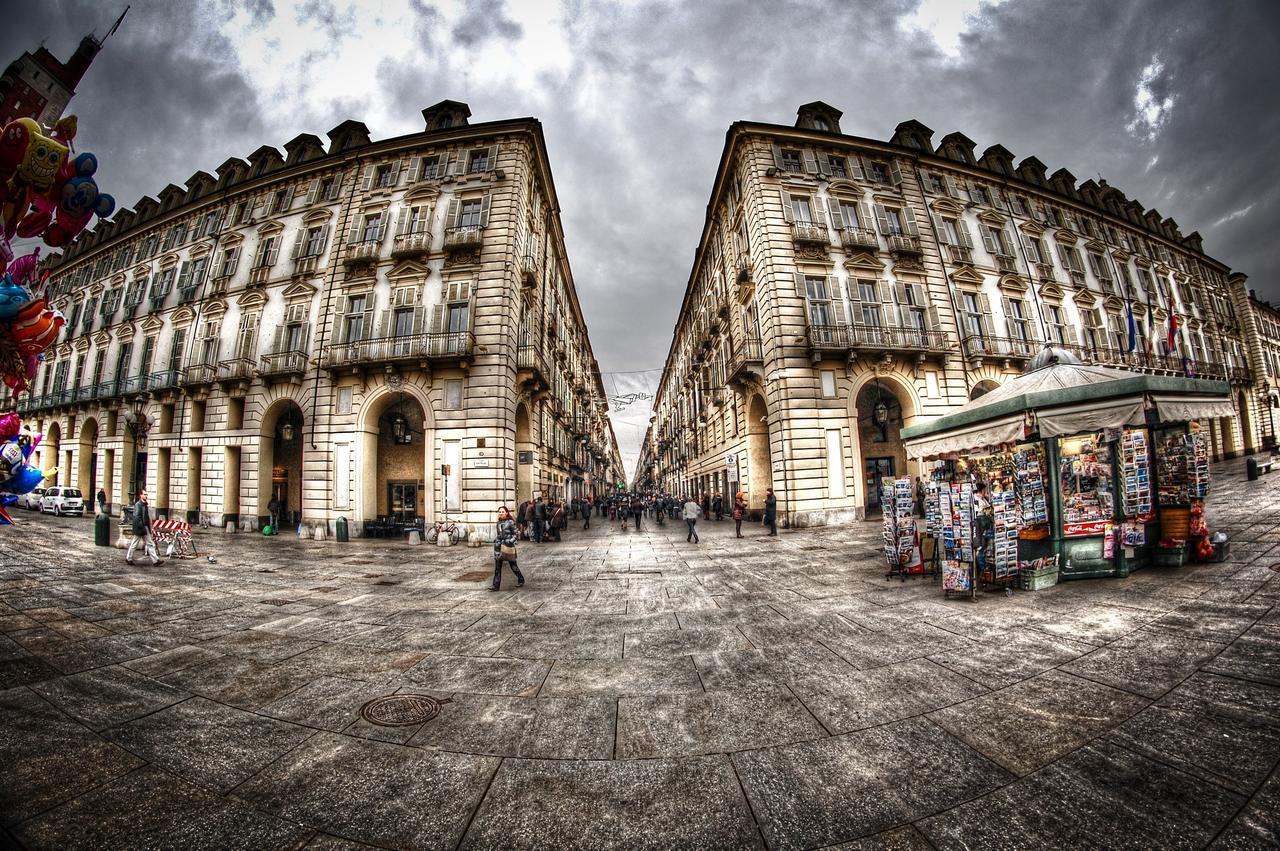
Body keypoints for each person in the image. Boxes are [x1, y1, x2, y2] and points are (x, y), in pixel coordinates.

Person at [489, 505, 525, 591]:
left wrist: (510, 541)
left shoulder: (510, 522)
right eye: (499, 512)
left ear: (506, 513)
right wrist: (496, 540)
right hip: (499, 547)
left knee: (513, 566)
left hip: (508, 546)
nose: (501, 513)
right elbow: (499, 534)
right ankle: (495, 586)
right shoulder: (498, 523)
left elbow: (516, 534)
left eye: (502, 512)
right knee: (497, 567)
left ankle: (521, 579)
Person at [126, 489, 163, 566]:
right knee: (134, 544)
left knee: (150, 544)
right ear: (141, 495)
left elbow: (146, 517)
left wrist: (148, 527)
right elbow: (137, 517)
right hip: (140, 528)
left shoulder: (145, 505)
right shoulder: (138, 505)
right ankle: (128, 558)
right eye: (144, 494)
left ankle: (155, 561)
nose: (146, 496)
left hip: (145, 527)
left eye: (146, 494)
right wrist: (142, 527)